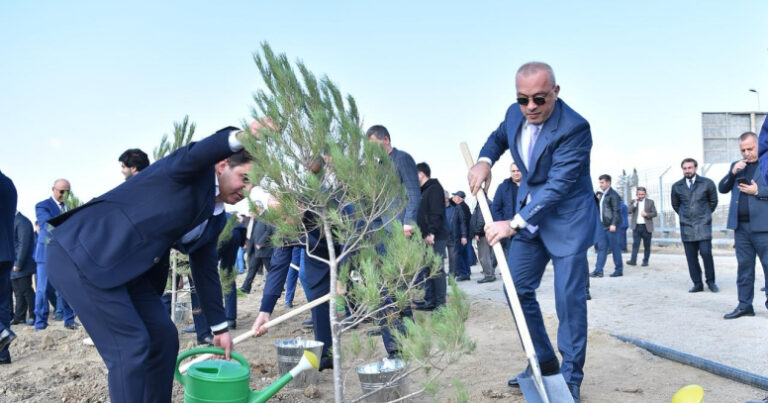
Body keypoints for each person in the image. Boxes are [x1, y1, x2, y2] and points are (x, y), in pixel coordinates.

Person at [46, 123, 263, 402]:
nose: (246, 190)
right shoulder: (185, 174)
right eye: (243, 178)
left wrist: (219, 328)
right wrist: (239, 138)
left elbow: (205, 269)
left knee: (163, 337)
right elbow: (194, 154)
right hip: (84, 254)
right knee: (130, 347)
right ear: (221, 165)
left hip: (125, 270)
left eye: (252, 184)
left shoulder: (215, 216)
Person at [468, 61, 600, 403]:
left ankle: (570, 378)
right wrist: (485, 160)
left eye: (539, 99)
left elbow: (556, 188)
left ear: (555, 92)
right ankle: (544, 363)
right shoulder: (515, 114)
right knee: (515, 288)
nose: (530, 107)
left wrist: (511, 224)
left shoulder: (575, 128)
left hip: (567, 221)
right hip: (532, 220)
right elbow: (498, 138)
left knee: (568, 302)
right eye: (523, 99)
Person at [718, 132, 768, 319]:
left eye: (750, 149)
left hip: (764, 228)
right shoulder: (737, 166)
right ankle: (745, 305)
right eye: (743, 150)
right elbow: (722, 188)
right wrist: (732, 173)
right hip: (741, 229)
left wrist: (758, 191)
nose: (746, 153)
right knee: (744, 269)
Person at [671, 158, 719, 293]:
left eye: (690, 168)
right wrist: (684, 215)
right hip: (687, 226)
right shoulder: (677, 186)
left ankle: (711, 282)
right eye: (685, 168)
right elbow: (675, 205)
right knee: (691, 257)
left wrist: (704, 215)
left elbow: (713, 201)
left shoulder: (707, 183)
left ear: (695, 168)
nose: (687, 171)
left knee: (706, 253)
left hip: (703, 225)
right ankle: (697, 283)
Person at [33, 179, 76, 330]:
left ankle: (69, 320)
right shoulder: (42, 205)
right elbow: (46, 225)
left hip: (64, 253)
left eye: (67, 191)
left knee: (66, 288)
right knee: (42, 289)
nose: (64, 194)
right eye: (61, 191)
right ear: (53, 189)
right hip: (45, 252)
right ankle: (40, 322)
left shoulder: (71, 206)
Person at [414, 162, 448, 309]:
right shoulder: (423, 191)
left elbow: (436, 212)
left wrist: (432, 232)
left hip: (435, 237)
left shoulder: (434, 189)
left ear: (421, 174)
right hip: (424, 237)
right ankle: (430, 301)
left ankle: (440, 304)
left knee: (437, 269)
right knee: (428, 270)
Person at [0, 171, 18, 364]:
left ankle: (1, 333)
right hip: (6, 251)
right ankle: (2, 354)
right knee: (2, 304)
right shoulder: (8, 183)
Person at [591, 174, 624, 278]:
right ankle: (598, 270)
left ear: (608, 183)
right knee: (601, 248)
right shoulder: (601, 195)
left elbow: (616, 211)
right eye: (599, 182)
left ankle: (619, 270)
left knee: (615, 248)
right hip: (602, 226)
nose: (600, 185)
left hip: (611, 226)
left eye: (602, 182)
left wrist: (613, 224)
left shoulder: (613, 195)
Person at [240, 205, 274, 294]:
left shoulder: (267, 215)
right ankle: (245, 288)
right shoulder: (258, 218)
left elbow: (269, 231)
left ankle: (277, 287)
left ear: (259, 207)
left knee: (270, 269)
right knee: (252, 268)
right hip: (257, 250)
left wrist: (261, 243)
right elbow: (253, 233)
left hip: (265, 248)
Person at [12, 210, 36, 325]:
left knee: (27, 291)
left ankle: (33, 315)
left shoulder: (22, 222)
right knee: (18, 292)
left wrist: (18, 263)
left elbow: (24, 243)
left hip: (23, 265)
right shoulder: (13, 221)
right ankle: (19, 317)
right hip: (13, 264)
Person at [491, 163, 520, 253]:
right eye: (513, 171)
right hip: (510, 230)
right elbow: (495, 208)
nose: (515, 173)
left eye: (518, 171)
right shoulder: (503, 187)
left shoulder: (529, 186)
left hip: (527, 229)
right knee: (512, 259)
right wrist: (503, 224)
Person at [626, 187, 657, 267]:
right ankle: (633, 260)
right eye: (639, 194)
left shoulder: (650, 202)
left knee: (647, 245)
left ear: (645, 194)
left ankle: (645, 261)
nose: (641, 196)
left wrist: (647, 214)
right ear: (637, 194)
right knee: (635, 244)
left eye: (642, 194)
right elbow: (628, 211)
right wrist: (635, 202)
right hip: (636, 226)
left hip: (646, 227)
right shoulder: (633, 201)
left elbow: (654, 213)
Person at [471, 202, 496, 283]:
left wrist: (477, 232)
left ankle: (488, 275)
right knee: (488, 255)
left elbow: (481, 220)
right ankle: (491, 273)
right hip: (486, 233)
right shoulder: (488, 203)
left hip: (482, 234)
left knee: (483, 256)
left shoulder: (482, 205)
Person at [445, 192, 467, 279]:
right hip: (441, 236)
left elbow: (462, 222)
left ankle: (452, 276)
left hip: (453, 236)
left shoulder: (456, 207)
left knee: (453, 257)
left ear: (446, 198)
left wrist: (463, 236)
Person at [451, 191, 472, 281]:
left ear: (460, 198)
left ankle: (463, 273)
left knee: (459, 254)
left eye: (455, 196)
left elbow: (463, 222)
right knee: (464, 254)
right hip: (463, 234)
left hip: (461, 235)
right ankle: (466, 271)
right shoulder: (463, 206)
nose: (453, 198)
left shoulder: (460, 207)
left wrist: (463, 235)